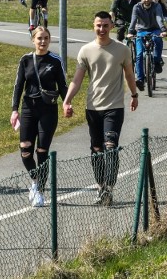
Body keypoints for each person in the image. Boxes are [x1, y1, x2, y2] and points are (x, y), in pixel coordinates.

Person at [62, 11, 139, 206]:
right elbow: (77, 80)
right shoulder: (85, 51)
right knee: (96, 149)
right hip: (93, 107)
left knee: (110, 147)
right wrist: (67, 100)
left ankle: (109, 189)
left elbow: (129, 74)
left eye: (105, 25)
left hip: (114, 106)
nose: (102, 29)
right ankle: (100, 187)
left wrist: (134, 94)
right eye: (98, 25)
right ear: (93, 26)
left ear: (112, 26)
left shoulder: (122, 50)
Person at [10, 27, 68, 207]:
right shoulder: (26, 60)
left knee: (42, 151)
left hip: (48, 110)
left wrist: (67, 103)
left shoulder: (55, 61)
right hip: (28, 109)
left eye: (46, 38)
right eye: (39, 38)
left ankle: (40, 192)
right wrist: (14, 110)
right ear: (33, 40)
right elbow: (18, 86)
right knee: (25, 149)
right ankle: (35, 180)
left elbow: (63, 86)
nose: (43, 41)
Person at [127, 0, 167, 90]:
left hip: (155, 29)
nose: (147, 0)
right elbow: (133, 20)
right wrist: (131, 32)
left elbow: (159, 18)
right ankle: (140, 79)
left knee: (158, 40)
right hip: (141, 31)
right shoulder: (137, 7)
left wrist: (163, 30)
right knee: (139, 54)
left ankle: (157, 61)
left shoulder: (156, 6)